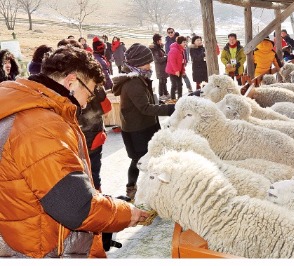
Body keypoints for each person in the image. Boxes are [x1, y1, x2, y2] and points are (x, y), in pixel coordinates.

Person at [0, 45, 148, 258]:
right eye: (89, 92)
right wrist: (126, 213)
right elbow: (77, 207)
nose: (87, 101)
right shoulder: (41, 127)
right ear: (71, 83)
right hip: (42, 249)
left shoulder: (22, 110)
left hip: (25, 238)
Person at [112, 43, 175, 200]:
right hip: (138, 130)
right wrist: (171, 109)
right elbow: (145, 108)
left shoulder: (138, 78)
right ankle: (136, 190)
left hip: (144, 125)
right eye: (148, 62)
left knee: (144, 160)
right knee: (141, 161)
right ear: (139, 63)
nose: (150, 65)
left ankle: (138, 189)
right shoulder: (133, 83)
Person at [81, 36, 113, 192]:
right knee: (93, 170)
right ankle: (96, 197)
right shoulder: (92, 84)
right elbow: (106, 107)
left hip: (77, 138)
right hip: (91, 134)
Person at [165, 36, 187, 100]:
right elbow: (172, 61)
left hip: (179, 70)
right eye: (184, 42)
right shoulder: (174, 50)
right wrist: (176, 70)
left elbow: (182, 62)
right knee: (174, 85)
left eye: (185, 42)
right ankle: (173, 98)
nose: (185, 43)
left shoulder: (181, 50)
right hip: (172, 71)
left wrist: (183, 70)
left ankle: (180, 98)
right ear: (180, 43)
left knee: (180, 84)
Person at [149, 33, 170, 100]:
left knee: (164, 80)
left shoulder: (159, 47)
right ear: (157, 40)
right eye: (160, 40)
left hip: (163, 67)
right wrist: (166, 57)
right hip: (160, 67)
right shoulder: (155, 49)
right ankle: (161, 94)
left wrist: (165, 56)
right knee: (161, 81)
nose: (161, 41)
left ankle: (166, 93)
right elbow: (158, 59)